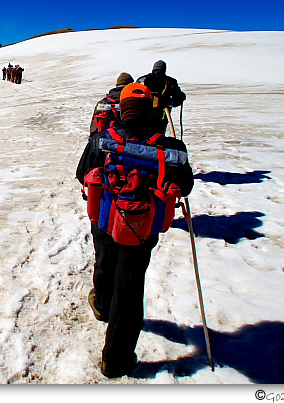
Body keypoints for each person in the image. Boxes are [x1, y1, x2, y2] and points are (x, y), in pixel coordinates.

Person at [75, 82, 194, 378]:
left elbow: (81, 174)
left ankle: (102, 305)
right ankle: (115, 360)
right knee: (129, 285)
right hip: (143, 225)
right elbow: (187, 186)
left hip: (104, 217)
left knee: (104, 259)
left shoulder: (103, 139)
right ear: (151, 108)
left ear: (122, 109)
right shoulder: (169, 147)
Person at [137, 60, 186, 128]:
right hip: (162, 116)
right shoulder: (171, 81)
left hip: (142, 115)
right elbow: (177, 101)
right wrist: (182, 97)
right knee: (159, 134)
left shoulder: (141, 80)